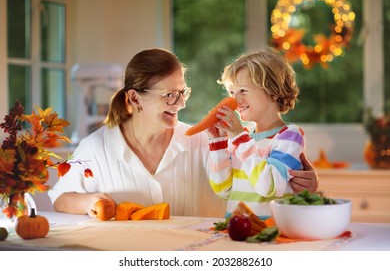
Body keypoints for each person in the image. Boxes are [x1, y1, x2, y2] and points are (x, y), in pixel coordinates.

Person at [48, 48, 318, 218]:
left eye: (182, 93)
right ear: (135, 99)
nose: (180, 103)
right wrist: (90, 202)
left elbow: (261, 179)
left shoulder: (205, 139)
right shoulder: (96, 146)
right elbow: (60, 198)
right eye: (169, 95)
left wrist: (305, 184)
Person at [207, 47, 311, 219]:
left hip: (273, 233)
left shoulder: (289, 136)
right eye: (232, 92)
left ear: (272, 91)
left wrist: (240, 139)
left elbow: (269, 185)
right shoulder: (241, 139)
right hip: (237, 230)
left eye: (243, 91)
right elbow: (222, 189)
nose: (235, 100)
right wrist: (218, 143)